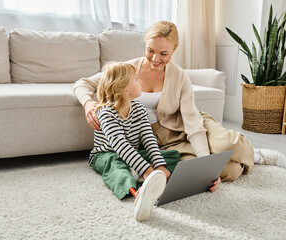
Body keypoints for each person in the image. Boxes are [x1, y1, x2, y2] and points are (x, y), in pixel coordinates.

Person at [74, 20, 286, 190]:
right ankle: (238, 162)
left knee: (227, 146)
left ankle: (257, 155)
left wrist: (205, 162)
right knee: (225, 171)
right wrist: (89, 104)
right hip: (163, 136)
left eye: (164, 54)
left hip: (191, 122)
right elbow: (82, 84)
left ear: (174, 50)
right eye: (150, 50)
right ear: (145, 44)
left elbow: (193, 124)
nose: (155, 58)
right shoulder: (126, 71)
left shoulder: (179, 76)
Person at [90, 62, 180, 221]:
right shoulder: (105, 112)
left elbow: (148, 138)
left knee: (172, 156)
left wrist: (159, 166)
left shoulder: (139, 108)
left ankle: (142, 173)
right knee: (117, 170)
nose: (141, 82)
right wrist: (147, 170)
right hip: (107, 154)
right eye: (136, 79)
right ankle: (139, 194)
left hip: (132, 153)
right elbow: (120, 146)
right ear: (124, 87)